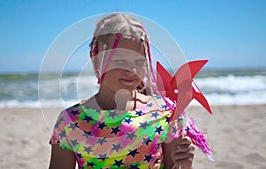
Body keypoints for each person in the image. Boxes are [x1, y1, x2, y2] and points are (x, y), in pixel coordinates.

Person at [49, 13, 195, 169]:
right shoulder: (71, 121)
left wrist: (185, 165)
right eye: (120, 61)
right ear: (96, 58)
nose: (131, 70)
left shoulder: (165, 112)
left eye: (139, 61)